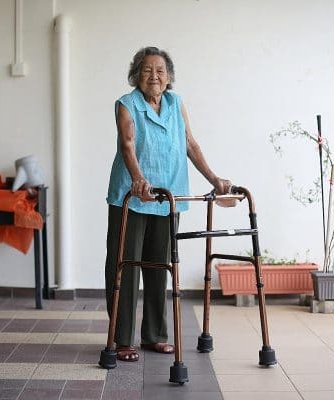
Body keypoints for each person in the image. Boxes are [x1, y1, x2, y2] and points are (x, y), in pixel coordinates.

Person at [105, 46, 233, 362]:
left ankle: (154, 336)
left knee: (158, 266)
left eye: (160, 70)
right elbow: (127, 143)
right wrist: (138, 179)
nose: (154, 76)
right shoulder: (127, 104)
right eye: (147, 70)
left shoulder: (175, 103)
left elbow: (190, 143)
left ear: (169, 76)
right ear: (137, 75)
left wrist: (214, 179)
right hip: (133, 197)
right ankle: (122, 340)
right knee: (125, 266)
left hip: (167, 197)